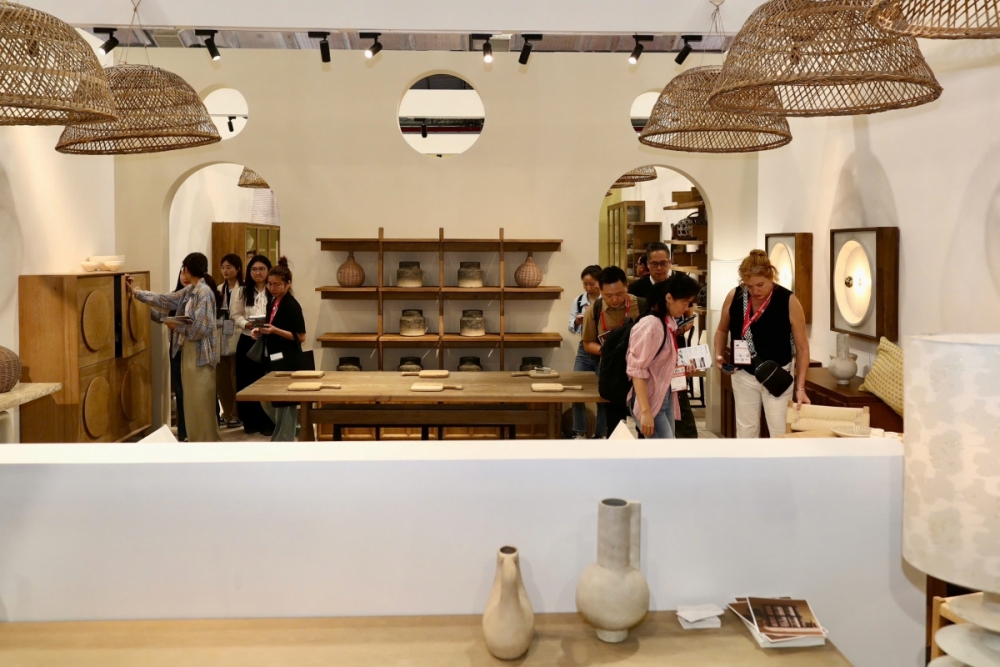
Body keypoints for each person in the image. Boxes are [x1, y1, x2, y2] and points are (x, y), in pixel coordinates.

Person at [713, 249, 811, 438]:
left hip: (777, 374)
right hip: (743, 374)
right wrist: (719, 354)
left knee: (779, 432)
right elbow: (721, 330)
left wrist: (800, 388)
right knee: (746, 431)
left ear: (771, 277)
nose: (755, 291)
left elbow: (802, 348)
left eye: (760, 285)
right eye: (749, 286)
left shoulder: (788, 300)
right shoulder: (735, 296)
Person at [128, 253, 221, 442]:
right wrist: (136, 292)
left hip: (200, 353)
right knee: (191, 401)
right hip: (189, 349)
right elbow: (166, 299)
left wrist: (176, 325)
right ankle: (196, 440)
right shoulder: (191, 290)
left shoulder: (204, 292)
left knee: (201, 401)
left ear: (186, 270)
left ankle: (206, 442)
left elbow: (201, 328)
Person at [629, 241, 698, 438]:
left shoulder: (668, 322)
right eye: (685, 303)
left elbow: (663, 360)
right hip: (651, 397)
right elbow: (636, 370)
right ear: (669, 298)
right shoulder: (652, 325)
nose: (687, 309)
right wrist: (645, 411)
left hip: (665, 392)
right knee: (665, 449)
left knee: (668, 446)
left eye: (664, 263)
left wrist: (681, 365)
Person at [582, 266, 643, 436]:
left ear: (627, 287)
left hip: (640, 372)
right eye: (608, 296)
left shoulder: (641, 305)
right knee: (615, 423)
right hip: (612, 373)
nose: (615, 299)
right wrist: (609, 352)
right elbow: (588, 343)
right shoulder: (593, 310)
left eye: (619, 294)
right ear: (601, 291)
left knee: (643, 421)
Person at [251, 257, 307, 442]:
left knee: (284, 402)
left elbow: (301, 336)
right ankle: (291, 429)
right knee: (266, 399)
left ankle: (283, 439)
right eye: (270, 284)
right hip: (273, 356)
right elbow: (271, 325)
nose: (272, 288)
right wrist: (260, 330)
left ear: (287, 284)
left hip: (288, 357)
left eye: (277, 284)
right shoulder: (273, 302)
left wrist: (275, 331)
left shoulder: (292, 305)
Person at [232, 255, 275, 436]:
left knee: (266, 380)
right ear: (249, 272)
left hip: (269, 339)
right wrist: (248, 325)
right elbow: (235, 315)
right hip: (247, 339)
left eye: (262, 269)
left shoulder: (274, 288)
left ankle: (268, 422)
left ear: (268, 270)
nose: (258, 273)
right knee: (246, 381)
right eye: (254, 269)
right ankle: (249, 422)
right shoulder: (242, 291)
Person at [150, 271, 189, 441]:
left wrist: (175, 323)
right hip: (176, 349)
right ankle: (183, 432)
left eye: (188, 273)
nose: (185, 277)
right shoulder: (174, 297)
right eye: (182, 273)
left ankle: (195, 430)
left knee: (194, 393)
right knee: (180, 391)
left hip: (193, 350)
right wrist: (140, 302)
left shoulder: (201, 296)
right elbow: (162, 317)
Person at [569, 265, 604, 438]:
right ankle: (579, 432)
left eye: (592, 284)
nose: (589, 287)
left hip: (602, 349)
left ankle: (601, 434)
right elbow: (571, 327)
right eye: (585, 284)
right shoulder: (578, 301)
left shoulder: (607, 299)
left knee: (602, 393)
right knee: (577, 391)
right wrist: (577, 322)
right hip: (584, 349)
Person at [216, 254, 244, 430]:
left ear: (238, 269)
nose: (225, 271)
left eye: (229, 267)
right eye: (223, 267)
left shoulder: (244, 289)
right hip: (221, 336)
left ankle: (236, 413)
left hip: (238, 335)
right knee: (222, 378)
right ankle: (226, 412)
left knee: (236, 377)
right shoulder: (218, 289)